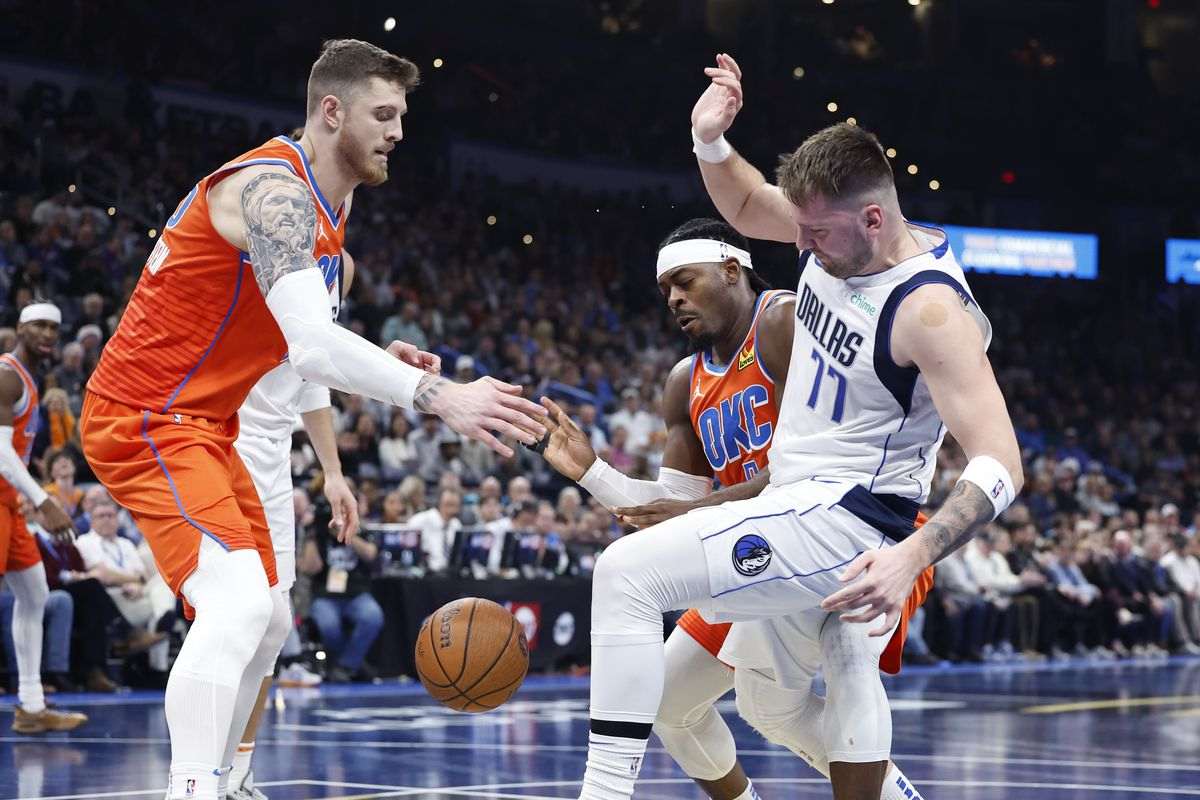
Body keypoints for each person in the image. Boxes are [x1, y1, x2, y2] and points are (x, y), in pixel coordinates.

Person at [78, 39, 546, 800]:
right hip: (145, 415)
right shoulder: (275, 189)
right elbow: (309, 341)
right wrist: (438, 395)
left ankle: (225, 780)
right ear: (331, 111)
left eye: (402, 116)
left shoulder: (333, 212)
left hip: (208, 423)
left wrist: (376, 353)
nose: (397, 131)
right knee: (232, 605)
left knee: (266, 620)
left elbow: (298, 343)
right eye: (382, 114)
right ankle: (192, 787)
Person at [565, 54, 1021, 800]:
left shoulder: (931, 312)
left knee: (626, 574)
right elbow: (746, 207)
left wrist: (914, 554)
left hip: (852, 517)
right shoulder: (837, 231)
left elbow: (1001, 462)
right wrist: (708, 141)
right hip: (792, 503)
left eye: (815, 235)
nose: (799, 248)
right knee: (767, 708)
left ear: (874, 218)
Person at [540, 217, 927, 800]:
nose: (673, 298)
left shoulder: (784, 321)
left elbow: (811, 469)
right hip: (760, 543)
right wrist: (592, 473)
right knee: (672, 705)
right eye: (665, 288)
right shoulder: (684, 381)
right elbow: (678, 509)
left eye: (685, 281)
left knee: (848, 650)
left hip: (861, 524)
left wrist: (698, 513)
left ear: (731, 269)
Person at [224, 242, 364, 799]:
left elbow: (313, 370)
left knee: (276, 623)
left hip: (275, 455)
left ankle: (235, 769)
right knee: (235, 617)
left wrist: (333, 472)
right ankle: (195, 774)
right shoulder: (263, 236)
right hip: (223, 439)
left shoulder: (342, 264)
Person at [0, 302, 87, 733]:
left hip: (9, 504)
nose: (48, 334)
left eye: (54, 327)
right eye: (38, 326)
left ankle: (31, 707)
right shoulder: (7, 375)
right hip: (6, 500)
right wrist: (44, 499)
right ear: (20, 328)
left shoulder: (31, 380)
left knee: (35, 594)